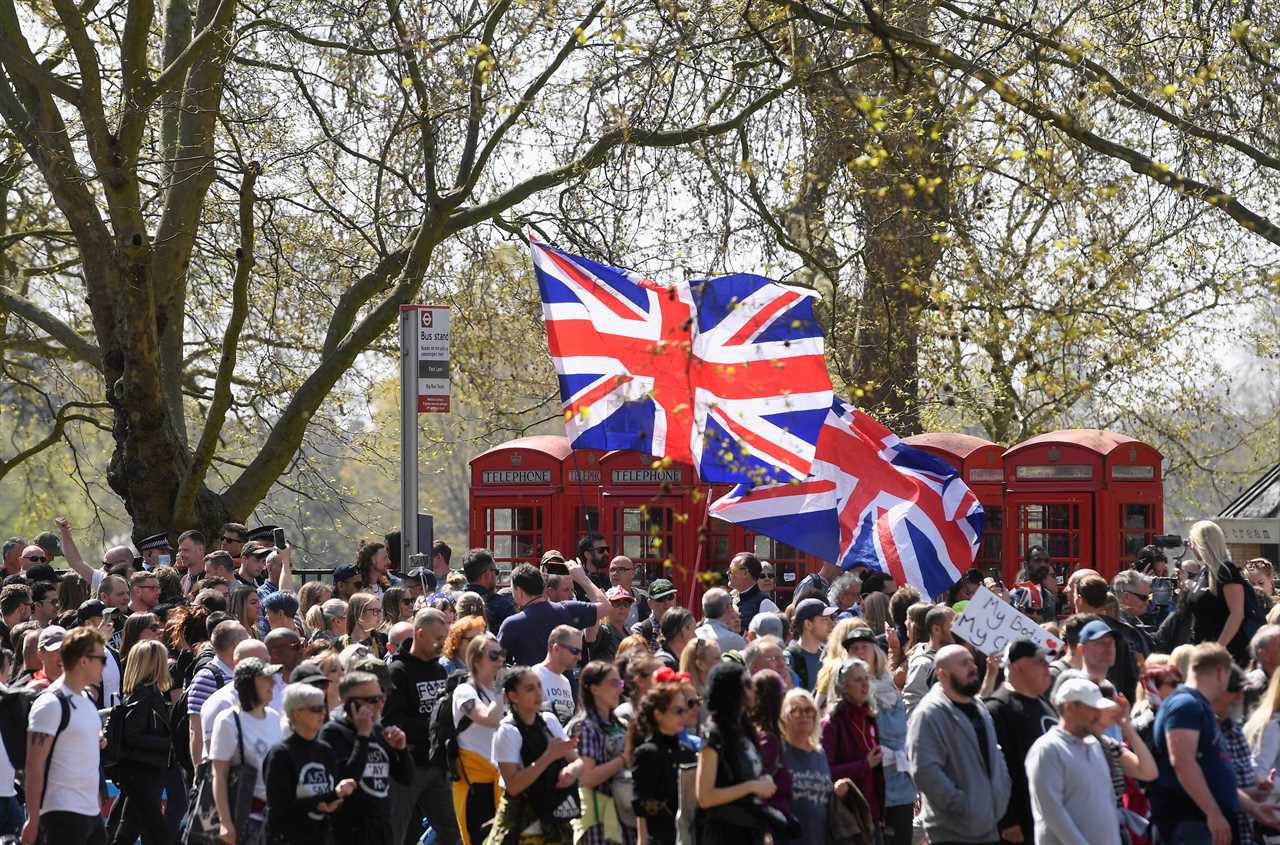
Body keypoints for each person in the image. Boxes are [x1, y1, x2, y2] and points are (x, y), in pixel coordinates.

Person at [907, 643, 1012, 845]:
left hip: (989, 825)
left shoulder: (977, 706)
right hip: (952, 832)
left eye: (971, 661)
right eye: (963, 664)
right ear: (942, 674)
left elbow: (995, 753)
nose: (973, 667)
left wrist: (1000, 794)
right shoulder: (928, 714)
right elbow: (925, 772)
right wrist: (964, 806)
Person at [22, 626, 108, 845]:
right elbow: (34, 765)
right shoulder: (50, 703)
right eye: (101, 659)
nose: (105, 665)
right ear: (83, 661)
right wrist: (33, 818)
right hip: (60, 815)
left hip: (91, 814)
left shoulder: (85, 699)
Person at [1148, 642, 1238, 845]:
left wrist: (1252, 806)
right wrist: (1213, 813)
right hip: (1189, 823)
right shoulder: (1185, 705)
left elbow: (1209, 768)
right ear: (1220, 673)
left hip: (1199, 823)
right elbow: (1182, 761)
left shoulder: (1195, 704)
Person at [383, 609, 457, 845]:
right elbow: (392, 721)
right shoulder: (397, 671)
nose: (442, 644)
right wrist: (433, 725)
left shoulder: (438, 669)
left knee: (453, 831)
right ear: (420, 633)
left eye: (444, 638)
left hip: (436, 765)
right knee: (397, 832)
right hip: (407, 766)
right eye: (438, 638)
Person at [488, 666, 582, 845]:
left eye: (539, 686)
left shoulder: (549, 721)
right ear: (513, 696)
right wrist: (548, 756)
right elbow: (514, 786)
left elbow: (575, 760)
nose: (539, 692)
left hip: (554, 813)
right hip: (522, 821)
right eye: (530, 688)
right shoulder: (506, 731)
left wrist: (571, 772)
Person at [1026, 677, 1123, 845]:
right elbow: (1052, 812)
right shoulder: (1047, 749)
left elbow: (1107, 801)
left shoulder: (1095, 745)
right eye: (1092, 708)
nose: (1098, 714)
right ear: (1070, 708)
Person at [844, 626, 914, 845]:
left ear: (875, 651)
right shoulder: (846, 691)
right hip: (869, 786)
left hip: (901, 783)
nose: (860, 651)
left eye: (865, 646)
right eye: (854, 648)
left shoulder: (888, 682)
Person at [983, 638, 1057, 844]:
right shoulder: (997, 709)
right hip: (1021, 824)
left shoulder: (1044, 704)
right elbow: (992, 768)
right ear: (1018, 666)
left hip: (1050, 816)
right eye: (1039, 662)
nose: (1047, 668)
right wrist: (1007, 820)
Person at [263, 683, 357, 844]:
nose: (323, 713)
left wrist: (335, 800)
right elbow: (279, 808)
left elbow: (330, 798)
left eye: (323, 707)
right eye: (315, 709)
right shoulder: (281, 754)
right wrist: (329, 798)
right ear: (296, 713)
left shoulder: (325, 750)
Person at [694, 662, 776, 845]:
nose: (753, 688)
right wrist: (753, 786)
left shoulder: (745, 728)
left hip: (751, 832)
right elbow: (705, 796)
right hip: (724, 835)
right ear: (732, 691)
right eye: (747, 684)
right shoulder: (714, 734)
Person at [210, 657, 285, 845]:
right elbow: (218, 774)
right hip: (246, 818)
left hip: (276, 817)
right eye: (265, 678)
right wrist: (225, 822)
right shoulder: (228, 720)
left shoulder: (275, 717)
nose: (273, 683)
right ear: (248, 684)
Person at [110, 639, 175, 845]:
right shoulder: (145, 695)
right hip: (143, 770)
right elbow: (132, 736)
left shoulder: (146, 693)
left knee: (129, 826)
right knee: (156, 830)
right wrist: (167, 744)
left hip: (144, 770)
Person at [570, 661, 632, 845]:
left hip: (625, 814)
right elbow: (588, 777)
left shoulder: (620, 724)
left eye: (620, 684)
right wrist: (623, 759)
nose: (619, 690)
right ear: (594, 689)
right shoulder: (587, 727)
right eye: (614, 683)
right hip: (601, 819)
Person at [498, 564, 607, 666]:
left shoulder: (511, 624)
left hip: (530, 684)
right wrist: (583, 578)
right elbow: (606, 607)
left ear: (519, 591)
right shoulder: (567, 609)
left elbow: (495, 660)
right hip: (565, 685)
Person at [453, 634, 506, 845]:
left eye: (502, 655)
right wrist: (502, 687)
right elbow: (490, 719)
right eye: (494, 655)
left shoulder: (499, 692)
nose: (500, 661)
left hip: (503, 779)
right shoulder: (464, 691)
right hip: (475, 784)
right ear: (475, 659)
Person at [630, 679, 696, 845]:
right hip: (659, 838)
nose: (684, 715)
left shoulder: (686, 751)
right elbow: (641, 805)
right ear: (659, 714)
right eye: (678, 711)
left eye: (684, 710)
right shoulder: (647, 753)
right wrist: (642, 841)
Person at [822, 658, 885, 828]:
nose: (865, 685)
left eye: (866, 678)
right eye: (857, 680)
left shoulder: (869, 718)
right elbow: (825, 772)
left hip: (873, 815)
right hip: (848, 819)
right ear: (843, 686)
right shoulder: (831, 724)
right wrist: (865, 765)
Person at [778, 688, 847, 845]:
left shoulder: (819, 753)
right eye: (795, 710)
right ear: (784, 717)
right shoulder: (779, 753)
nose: (804, 715)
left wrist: (835, 790)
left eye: (808, 710)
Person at [1187, 519, 1255, 666]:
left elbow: (1237, 614)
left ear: (1201, 543)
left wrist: (1218, 648)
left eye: (1191, 541)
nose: (1189, 546)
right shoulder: (1205, 571)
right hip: (1201, 649)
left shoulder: (1226, 571)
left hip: (1225, 655)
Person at [903, 604, 952, 715]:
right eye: (953, 625)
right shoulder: (922, 664)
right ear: (936, 629)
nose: (958, 629)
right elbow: (913, 705)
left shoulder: (953, 652)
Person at [536, 625, 582, 726]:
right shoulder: (534, 676)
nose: (579, 657)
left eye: (580, 652)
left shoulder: (566, 682)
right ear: (556, 648)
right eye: (575, 651)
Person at [786, 599, 836, 692]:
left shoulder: (829, 657)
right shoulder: (790, 657)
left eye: (830, 618)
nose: (831, 624)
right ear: (808, 624)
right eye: (825, 619)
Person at [462, 549, 517, 633]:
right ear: (487, 574)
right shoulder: (503, 606)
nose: (496, 576)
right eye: (496, 572)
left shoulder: (455, 601)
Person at [727, 553, 778, 634]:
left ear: (745, 573)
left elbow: (776, 636)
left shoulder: (765, 603)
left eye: (732, 569)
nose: (728, 573)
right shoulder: (729, 599)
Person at [631, 579, 677, 653]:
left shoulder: (684, 627)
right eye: (660, 599)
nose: (666, 602)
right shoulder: (640, 630)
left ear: (675, 599)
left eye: (670, 597)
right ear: (650, 603)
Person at [695, 588, 747, 653]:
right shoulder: (734, 640)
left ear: (703, 609)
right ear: (729, 607)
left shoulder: (693, 636)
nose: (737, 620)